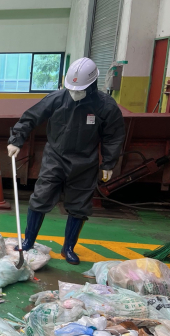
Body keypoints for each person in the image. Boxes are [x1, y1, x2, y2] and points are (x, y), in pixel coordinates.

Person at [7, 57, 125, 265]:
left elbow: (113, 135)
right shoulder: (57, 99)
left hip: (85, 162)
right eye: (71, 88)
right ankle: (29, 241)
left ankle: (68, 248)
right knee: (41, 197)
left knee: (79, 205)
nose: (74, 93)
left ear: (92, 85)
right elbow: (30, 117)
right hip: (55, 157)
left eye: (79, 89)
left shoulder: (105, 106)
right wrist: (16, 140)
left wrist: (108, 163)